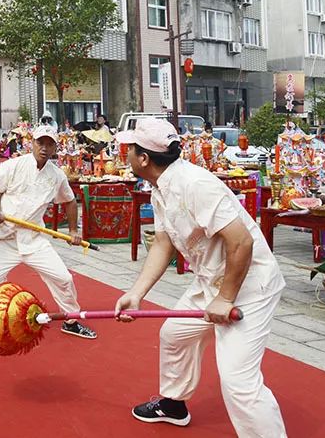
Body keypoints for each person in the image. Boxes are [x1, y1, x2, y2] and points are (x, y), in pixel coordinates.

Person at [113, 118, 286, 435]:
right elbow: (163, 244)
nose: (125, 154)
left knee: (238, 382)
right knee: (174, 335)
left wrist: (225, 298)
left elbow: (242, 241)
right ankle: (174, 404)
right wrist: (136, 293)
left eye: (130, 149)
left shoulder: (195, 184)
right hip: (213, 280)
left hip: (249, 285)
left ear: (143, 158)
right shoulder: (160, 189)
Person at [0, 126, 96, 340]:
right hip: (3, 238)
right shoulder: (13, 165)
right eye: (40, 143)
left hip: (33, 238)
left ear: (55, 147)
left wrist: (73, 230)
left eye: (49, 144)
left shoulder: (56, 176)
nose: (44, 148)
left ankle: (70, 320)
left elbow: (70, 201)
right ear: (31, 143)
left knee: (63, 278)